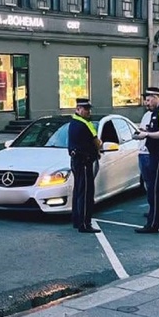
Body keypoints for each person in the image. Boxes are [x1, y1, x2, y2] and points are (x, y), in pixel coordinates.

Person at [133, 87, 159, 233]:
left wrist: (146, 135)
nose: (146, 102)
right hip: (156, 153)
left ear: (156, 97)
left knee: (155, 188)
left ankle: (153, 223)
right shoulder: (157, 111)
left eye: (149, 99)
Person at [68, 98, 102, 233]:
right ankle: (85, 224)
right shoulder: (86, 124)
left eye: (89, 109)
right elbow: (97, 142)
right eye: (85, 109)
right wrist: (99, 146)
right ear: (78, 109)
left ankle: (77, 220)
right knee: (86, 193)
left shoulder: (73, 122)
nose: (88, 111)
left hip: (76, 160)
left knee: (78, 191)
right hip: (84, 162)